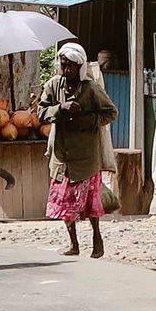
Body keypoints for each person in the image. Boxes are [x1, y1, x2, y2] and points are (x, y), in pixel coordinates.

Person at [38, 43, 119, 258]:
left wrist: (87, 120)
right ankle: (73, 243)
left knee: (90, 204)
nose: (67, 70)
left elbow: (111, 113)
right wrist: (60, 109)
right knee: (65, 202)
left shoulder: (91, 89)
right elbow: (41, 112)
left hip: (85, 157)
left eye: (71, 67)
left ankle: (96, 237)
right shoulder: (53, 86)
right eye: (63, 65)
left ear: (80, 67)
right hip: (62, 156)